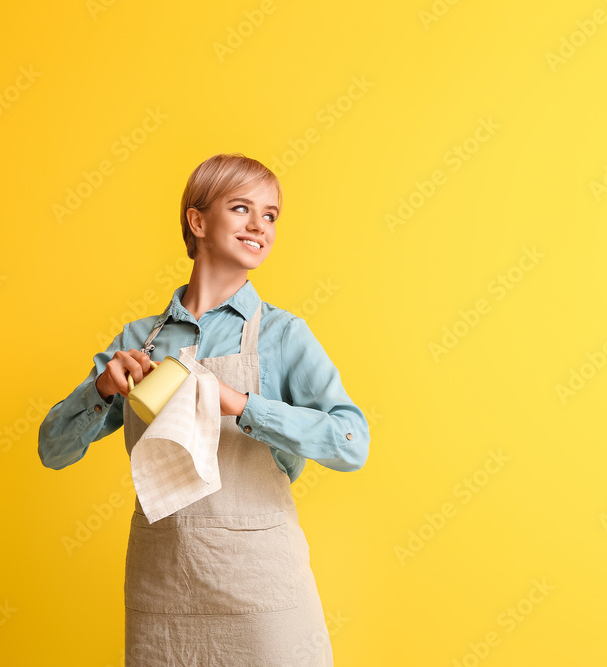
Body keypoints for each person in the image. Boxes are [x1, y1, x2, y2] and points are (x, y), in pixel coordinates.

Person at [37, 153, 370, 666]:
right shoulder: (138, 342)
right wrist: (102, 387)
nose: (260, 225)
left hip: (261, 586)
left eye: (272, 214)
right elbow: (52, 449)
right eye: (241, 208)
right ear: (197, 221)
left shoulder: (282, 335)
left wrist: (239, 404)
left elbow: (352, 443)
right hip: (162, 585)